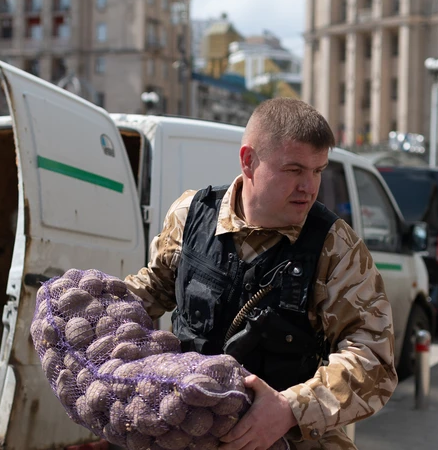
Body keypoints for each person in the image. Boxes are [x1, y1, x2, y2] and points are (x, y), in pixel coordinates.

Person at [125, 98, 397, 450]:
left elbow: (373, 362)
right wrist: (98, 307)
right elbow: (154, 288)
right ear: (248, 161)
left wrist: (291, 409)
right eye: (294, 169)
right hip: (187, 433)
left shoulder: (336, 249)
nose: (309, 187)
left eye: (318, 171)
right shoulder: (191, 215)